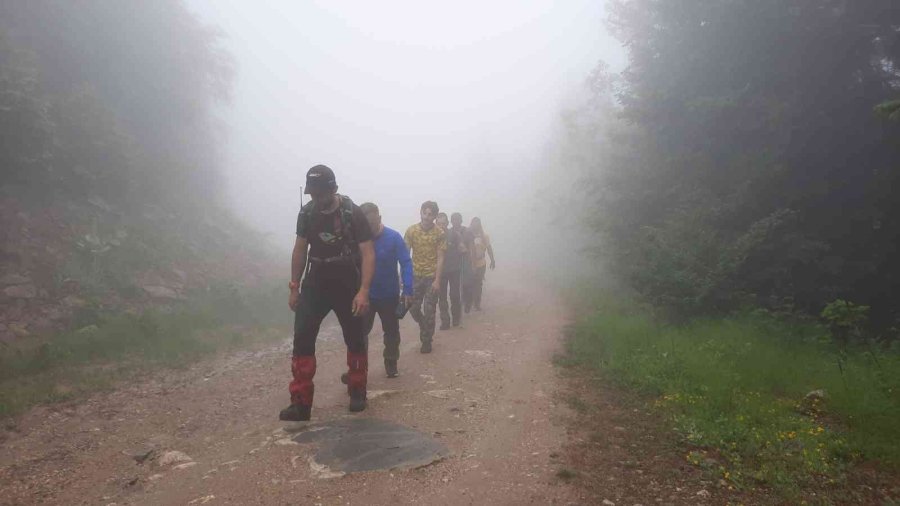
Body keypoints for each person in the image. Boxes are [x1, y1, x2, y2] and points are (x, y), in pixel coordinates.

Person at [280, 165, 375, 422]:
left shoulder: (352, 213)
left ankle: (357, 391)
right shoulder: (307, 213)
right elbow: (300, 250)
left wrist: (364, 291)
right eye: (313, 194)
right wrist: (294, 286)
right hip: (316, 280)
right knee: (302, 338)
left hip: (347, 281)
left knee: (355, 337)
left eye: (321, 193)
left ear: (333, 189)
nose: (317, 199)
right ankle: (300, 403)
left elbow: (367, 253)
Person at [358, 202, 413, 377]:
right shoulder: (357, 239)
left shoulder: (394, 237)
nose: (369, 228)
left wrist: (408, 288)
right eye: (365, 224)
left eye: (372, 224)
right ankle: (358, 367)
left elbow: (406, 263)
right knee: (359, 333)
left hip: (388, 294)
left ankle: (391, 362)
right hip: (365, 295)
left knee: (391, 332)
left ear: (379, 219)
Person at [404, 201, 445, 353]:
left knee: (430, 311)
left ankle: (426, 340)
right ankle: (423, 325)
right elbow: (405, 256)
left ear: (434, 216)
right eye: (425, 213)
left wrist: (437, 280)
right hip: (415, 276)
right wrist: (404, 278)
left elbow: (441, 257)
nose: (427, 217)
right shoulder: (411, 231)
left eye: (430, 215)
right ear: (420, 212)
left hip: (431, 278)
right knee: (412, 307)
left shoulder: (439, 233)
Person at [438, 212, 469, 329]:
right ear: (436, 223)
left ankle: (456, 318)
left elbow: (462, 247)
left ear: (447, 223)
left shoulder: (454, 234)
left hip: (454, 269)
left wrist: (462, 249)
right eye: (439, 223)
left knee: (455, 295)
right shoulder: (433, 235)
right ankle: (445, 321)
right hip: (440, 271)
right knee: (442, 297)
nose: (441, 225)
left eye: (443, 223)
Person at [464, 217, 495, 312]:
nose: (475, 226)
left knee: (478, 284)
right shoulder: (467, 236)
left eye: (477, 224)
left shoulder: (484, 236)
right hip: (469, 263)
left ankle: (477, 303)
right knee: (468, 284)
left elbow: (489, 248)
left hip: (481, 263)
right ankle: (467, 303)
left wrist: (492, 260)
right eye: (474, 223)